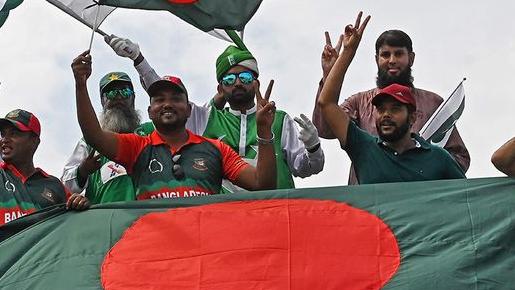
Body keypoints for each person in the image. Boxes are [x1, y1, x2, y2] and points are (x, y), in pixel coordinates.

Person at [317, 11, 470, 290]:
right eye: (380, 109)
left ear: (412, 115)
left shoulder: (436, 155)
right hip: (372, 264)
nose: (384, 114)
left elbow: (465, 201)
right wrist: (342, 60)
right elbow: (326, 110)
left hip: (424, 265)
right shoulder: (366, 149)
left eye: (395, 109)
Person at [105, 36, 323, 190]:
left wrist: (313, 147)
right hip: (222, 221)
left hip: (275, 215)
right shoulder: (207, 117)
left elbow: (306, 169)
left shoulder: (279, 119)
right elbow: (169, 100)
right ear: (220, 88)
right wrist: (139, 60)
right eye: (229, 79)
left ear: (256, 83)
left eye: (245, 78)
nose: (237, 83)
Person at [72, 51, 277, 199]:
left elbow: (262, 184)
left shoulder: (216, 149)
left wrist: (264, 131)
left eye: (176, 98)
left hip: (201, 250)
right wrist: (81, 85)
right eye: (159, 99)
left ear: (189, 110)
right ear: (150, 112)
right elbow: (94, 136)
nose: (168, 104)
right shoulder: (137, 147)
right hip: (154, 251)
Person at [312, 23, 470, 184]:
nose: (392, 60)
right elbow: (325, 126)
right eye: (385, 55)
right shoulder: (364, 134)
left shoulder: (433, 104)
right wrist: (330, 73)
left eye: (399, 54)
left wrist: (424, 164)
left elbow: (459, 159)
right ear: (376, 59)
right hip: (368, 205)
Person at [0, 77, 89, 231]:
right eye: (3, 134)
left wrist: (80, 204)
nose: (5, 140)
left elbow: (69, 229)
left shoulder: (55, 186)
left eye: (14, 133)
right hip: (2, 255)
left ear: (34, 141)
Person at [62, 72, 154, 203]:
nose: (117, 97)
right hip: (107, 220)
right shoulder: (90, 142)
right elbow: (65, 186)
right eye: (110, 93)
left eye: (124, 92)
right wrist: (83, 170)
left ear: (133, 99)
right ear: (102, 101)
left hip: (148, 216)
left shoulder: (150, 132)